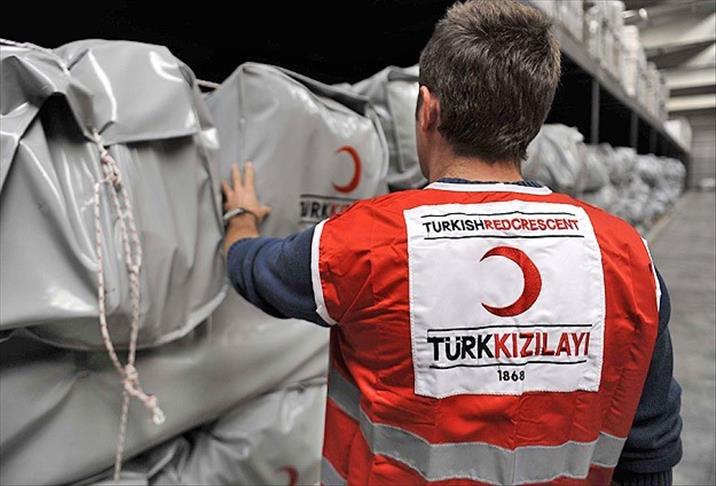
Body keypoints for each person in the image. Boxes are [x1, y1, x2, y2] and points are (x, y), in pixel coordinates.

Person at [221, 1, 682, 484]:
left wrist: (241, 219)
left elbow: (254, 271)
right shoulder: (626, 259)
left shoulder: (370, 241)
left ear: (427, 109)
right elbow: (650, 448)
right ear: (534, 121)